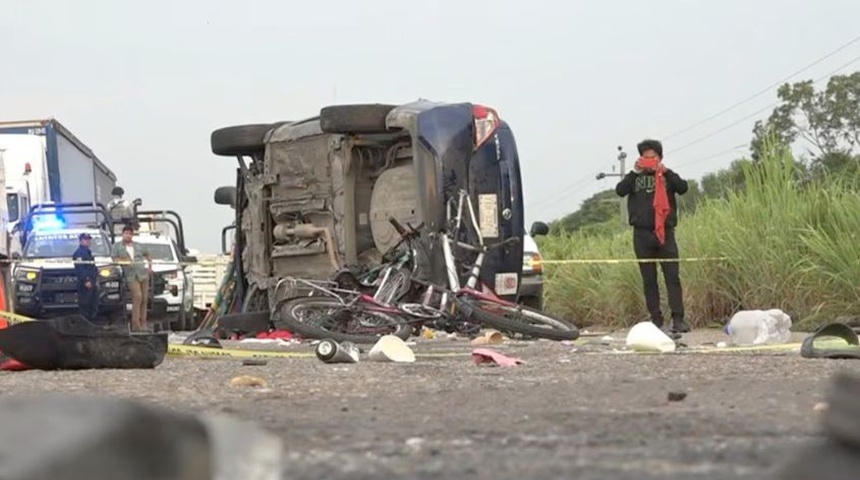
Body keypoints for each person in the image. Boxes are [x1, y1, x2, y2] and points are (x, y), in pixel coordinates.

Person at [615, 139, 690, 333]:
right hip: (641, 233)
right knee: (649, 279)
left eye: (653, 158)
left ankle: (678, 319)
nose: (649, 161)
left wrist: (666, 172)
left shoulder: (667, 176)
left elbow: (683, 188)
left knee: (672, 276)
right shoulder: (634, 178)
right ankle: (656, 319)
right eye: (646, 158)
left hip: (666, 232)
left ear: (660, 158)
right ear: (640, 159)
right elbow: (620, 191)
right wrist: (635, 172)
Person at [111, 224, 152, 331]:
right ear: (122, 234)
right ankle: (135, 323)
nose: (128, 236)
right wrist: (125, 261)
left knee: (144, 299)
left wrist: (149, 267)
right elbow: (114, 259)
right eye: (126, 234)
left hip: (142, 273)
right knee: (137, 296)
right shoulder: (117, 246)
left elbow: (148, 255)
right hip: (130, 275)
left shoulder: (138, 246)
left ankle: (144, 323)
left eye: (130, 234)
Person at [72, 233, 99, 322]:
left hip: (93, 281)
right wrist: (86, 280)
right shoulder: (79, 253)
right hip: (85, 283)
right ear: (81, 241)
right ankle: (85, 324)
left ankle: (91, 323)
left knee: (93, 304)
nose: (88, 241)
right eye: (85, 239)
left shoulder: (88, 252)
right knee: (85, 304)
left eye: (89, 239)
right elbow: (80, 269)